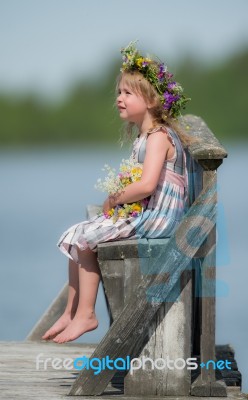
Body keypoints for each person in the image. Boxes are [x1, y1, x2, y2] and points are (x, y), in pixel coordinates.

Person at [42, 41, 195, 344]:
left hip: (158, 218)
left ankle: (86, 314)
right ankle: (72, 311)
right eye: (118, 93)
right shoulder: (147, 136)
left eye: (127, 93)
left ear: (151, 100)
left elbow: (148, 185)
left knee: (85, 238)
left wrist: (115, 199)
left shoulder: (158, 138)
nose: (119, 99)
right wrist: (120, 200)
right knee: (78, 233)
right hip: (151, 212)